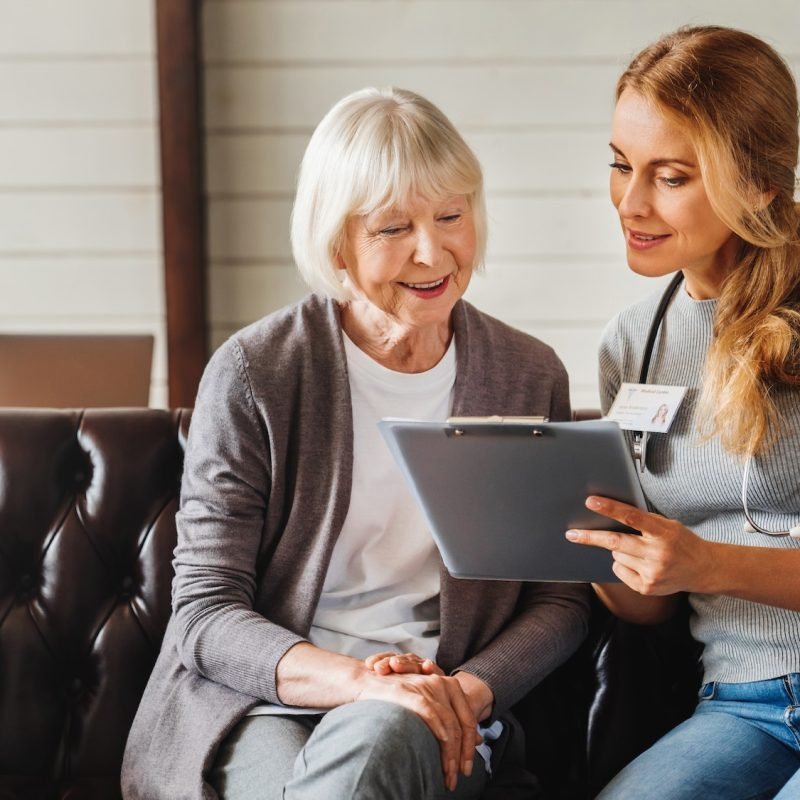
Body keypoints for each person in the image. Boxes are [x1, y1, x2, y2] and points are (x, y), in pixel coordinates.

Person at [122, 86, 590, 800]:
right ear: (336, 239)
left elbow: (559, 600)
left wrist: (465, 691)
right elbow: (206, 612)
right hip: (265, 704)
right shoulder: (257, 373)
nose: (432, 251)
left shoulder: (527, 375)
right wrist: (360, 684)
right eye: (392, 227)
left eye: (451, 216)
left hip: (446, 710)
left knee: (386, 739)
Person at [565, 25, 800, 799]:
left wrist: (711, 563)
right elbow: (648, 611)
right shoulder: (631, 342)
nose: (630, 203)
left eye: (670, 177)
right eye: (620, 165)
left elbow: (705, 564)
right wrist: (590, 547)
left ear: (762, 180)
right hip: (741, 705)